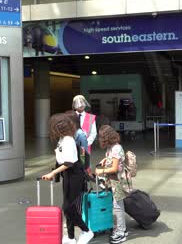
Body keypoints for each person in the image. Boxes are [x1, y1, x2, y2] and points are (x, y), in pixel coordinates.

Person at [41, 113, 94, 244]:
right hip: (68, 175)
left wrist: (52, 174)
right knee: (67, 207)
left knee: (68, 207)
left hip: (75, 175)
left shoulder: (69, 140)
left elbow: (69, 163)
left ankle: (86, 231)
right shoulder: (62, 139)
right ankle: (70, 237)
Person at [95, 125, 129, 244]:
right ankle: (121, 230)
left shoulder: (116, 148)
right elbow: (112, 160)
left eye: (101, 137)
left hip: (118, 181)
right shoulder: (111, 148)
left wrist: (101, 171)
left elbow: (114, 168)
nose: (100, 139)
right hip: (114, 181)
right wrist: (105, 160)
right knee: (118, 204)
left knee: (118, 206)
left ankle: (121, 232)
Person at [73, 95, 97, 170]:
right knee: (73, 165)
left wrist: (86, 143)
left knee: (85, 165)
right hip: (72, 146)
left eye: (82, 102)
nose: (80, 105)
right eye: (78, 103)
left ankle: (85, 179)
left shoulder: (91, 117)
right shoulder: (70, 116)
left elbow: (93, 133)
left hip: (86, 146)